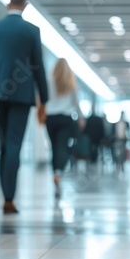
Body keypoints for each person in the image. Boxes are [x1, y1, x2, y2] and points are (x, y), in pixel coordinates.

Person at [0, 0, 48, 214]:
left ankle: (6, 195)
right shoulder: (31, 31)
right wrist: (43, 100)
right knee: (14, 144)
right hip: (21, 96)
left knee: (4, 146)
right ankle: (9, 198)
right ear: (25, 5)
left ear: (8, 4)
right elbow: (38, 66)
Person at [45, 58, 84, 197]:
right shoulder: (70, 82)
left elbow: (44, 99)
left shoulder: (49, 81)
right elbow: (76, 102)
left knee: (54, 147)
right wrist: (80, 117)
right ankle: (58, 173)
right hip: (66, 118)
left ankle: (55, 173)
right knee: (62, 146)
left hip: (50, 118)